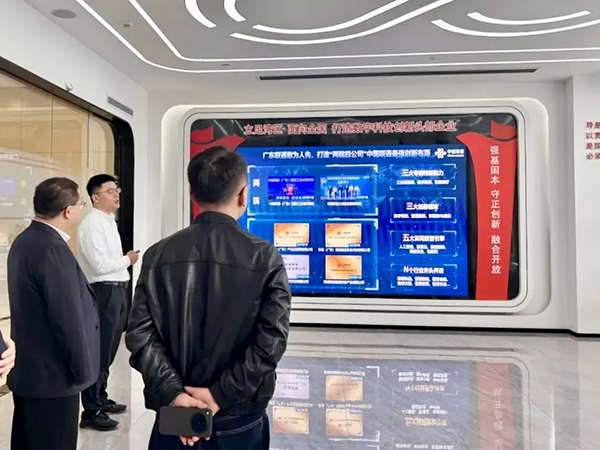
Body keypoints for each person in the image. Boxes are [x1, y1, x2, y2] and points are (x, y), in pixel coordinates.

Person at [126, 146, 292, 450]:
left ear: (192, 195)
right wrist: (219, 395)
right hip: (239, 415)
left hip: (175, 415)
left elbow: (140, 335)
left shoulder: (157, 255)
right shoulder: (265, 257)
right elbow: (271, 341)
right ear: (243, 195)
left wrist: (175, 394)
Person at [7, 177, 100, 450]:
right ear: (68, 211)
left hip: (30, 373)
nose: (81, 209)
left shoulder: (25, 240)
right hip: (54, 378)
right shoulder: (51, 249)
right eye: (81, 204)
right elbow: (68, 318)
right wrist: (83, 373)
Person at [77, 174, 139, 431]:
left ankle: (101, 398)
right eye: (110, 191)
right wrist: (128, 260)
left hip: (117, 291)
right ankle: (91, 411)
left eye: (117, 190)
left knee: (110, 350)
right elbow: (99, 266)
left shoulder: (108, 221)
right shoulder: (92, 224)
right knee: (99, 351)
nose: (116, 195)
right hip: (103, 292)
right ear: (95, 197)